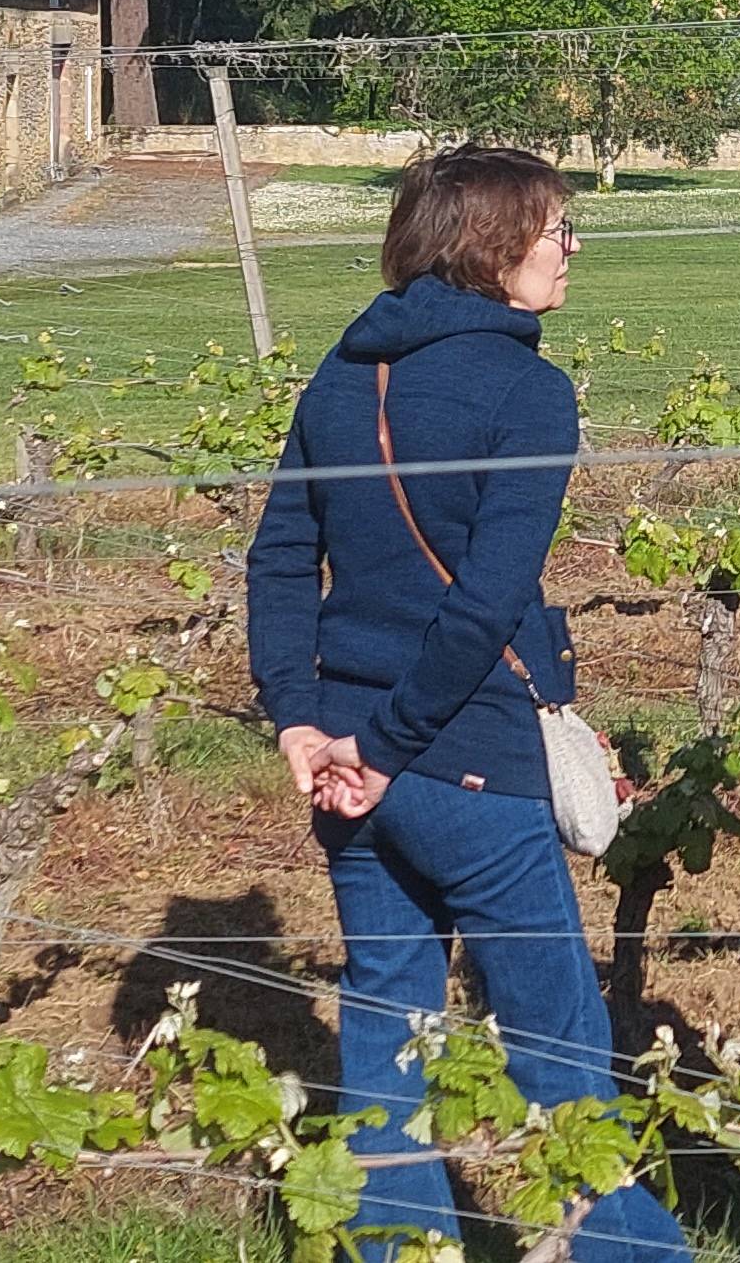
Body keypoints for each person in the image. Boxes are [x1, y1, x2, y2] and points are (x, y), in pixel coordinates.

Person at [242, 145, 692, 1261]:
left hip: (345, 763)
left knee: (386, 1029)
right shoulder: (527, 390)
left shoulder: (342, 377)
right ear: (494, 246)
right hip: (458, 759)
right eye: (552, 228)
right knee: (560, 1042)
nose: (569, 245)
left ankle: (400, 1248)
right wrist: (391, 744)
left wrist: (301, 718)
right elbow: (488, 600)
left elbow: (281, 560)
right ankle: (630, 1253)